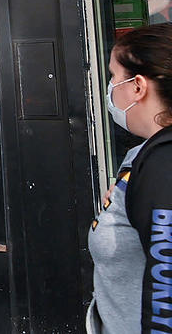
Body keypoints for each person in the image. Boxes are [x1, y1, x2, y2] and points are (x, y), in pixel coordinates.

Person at [86, 23, 172, 332]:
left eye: (113, 76)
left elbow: (167, 281)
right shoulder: (143, 156)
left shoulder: (164, 163)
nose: (109, 87)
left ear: (138, 86)